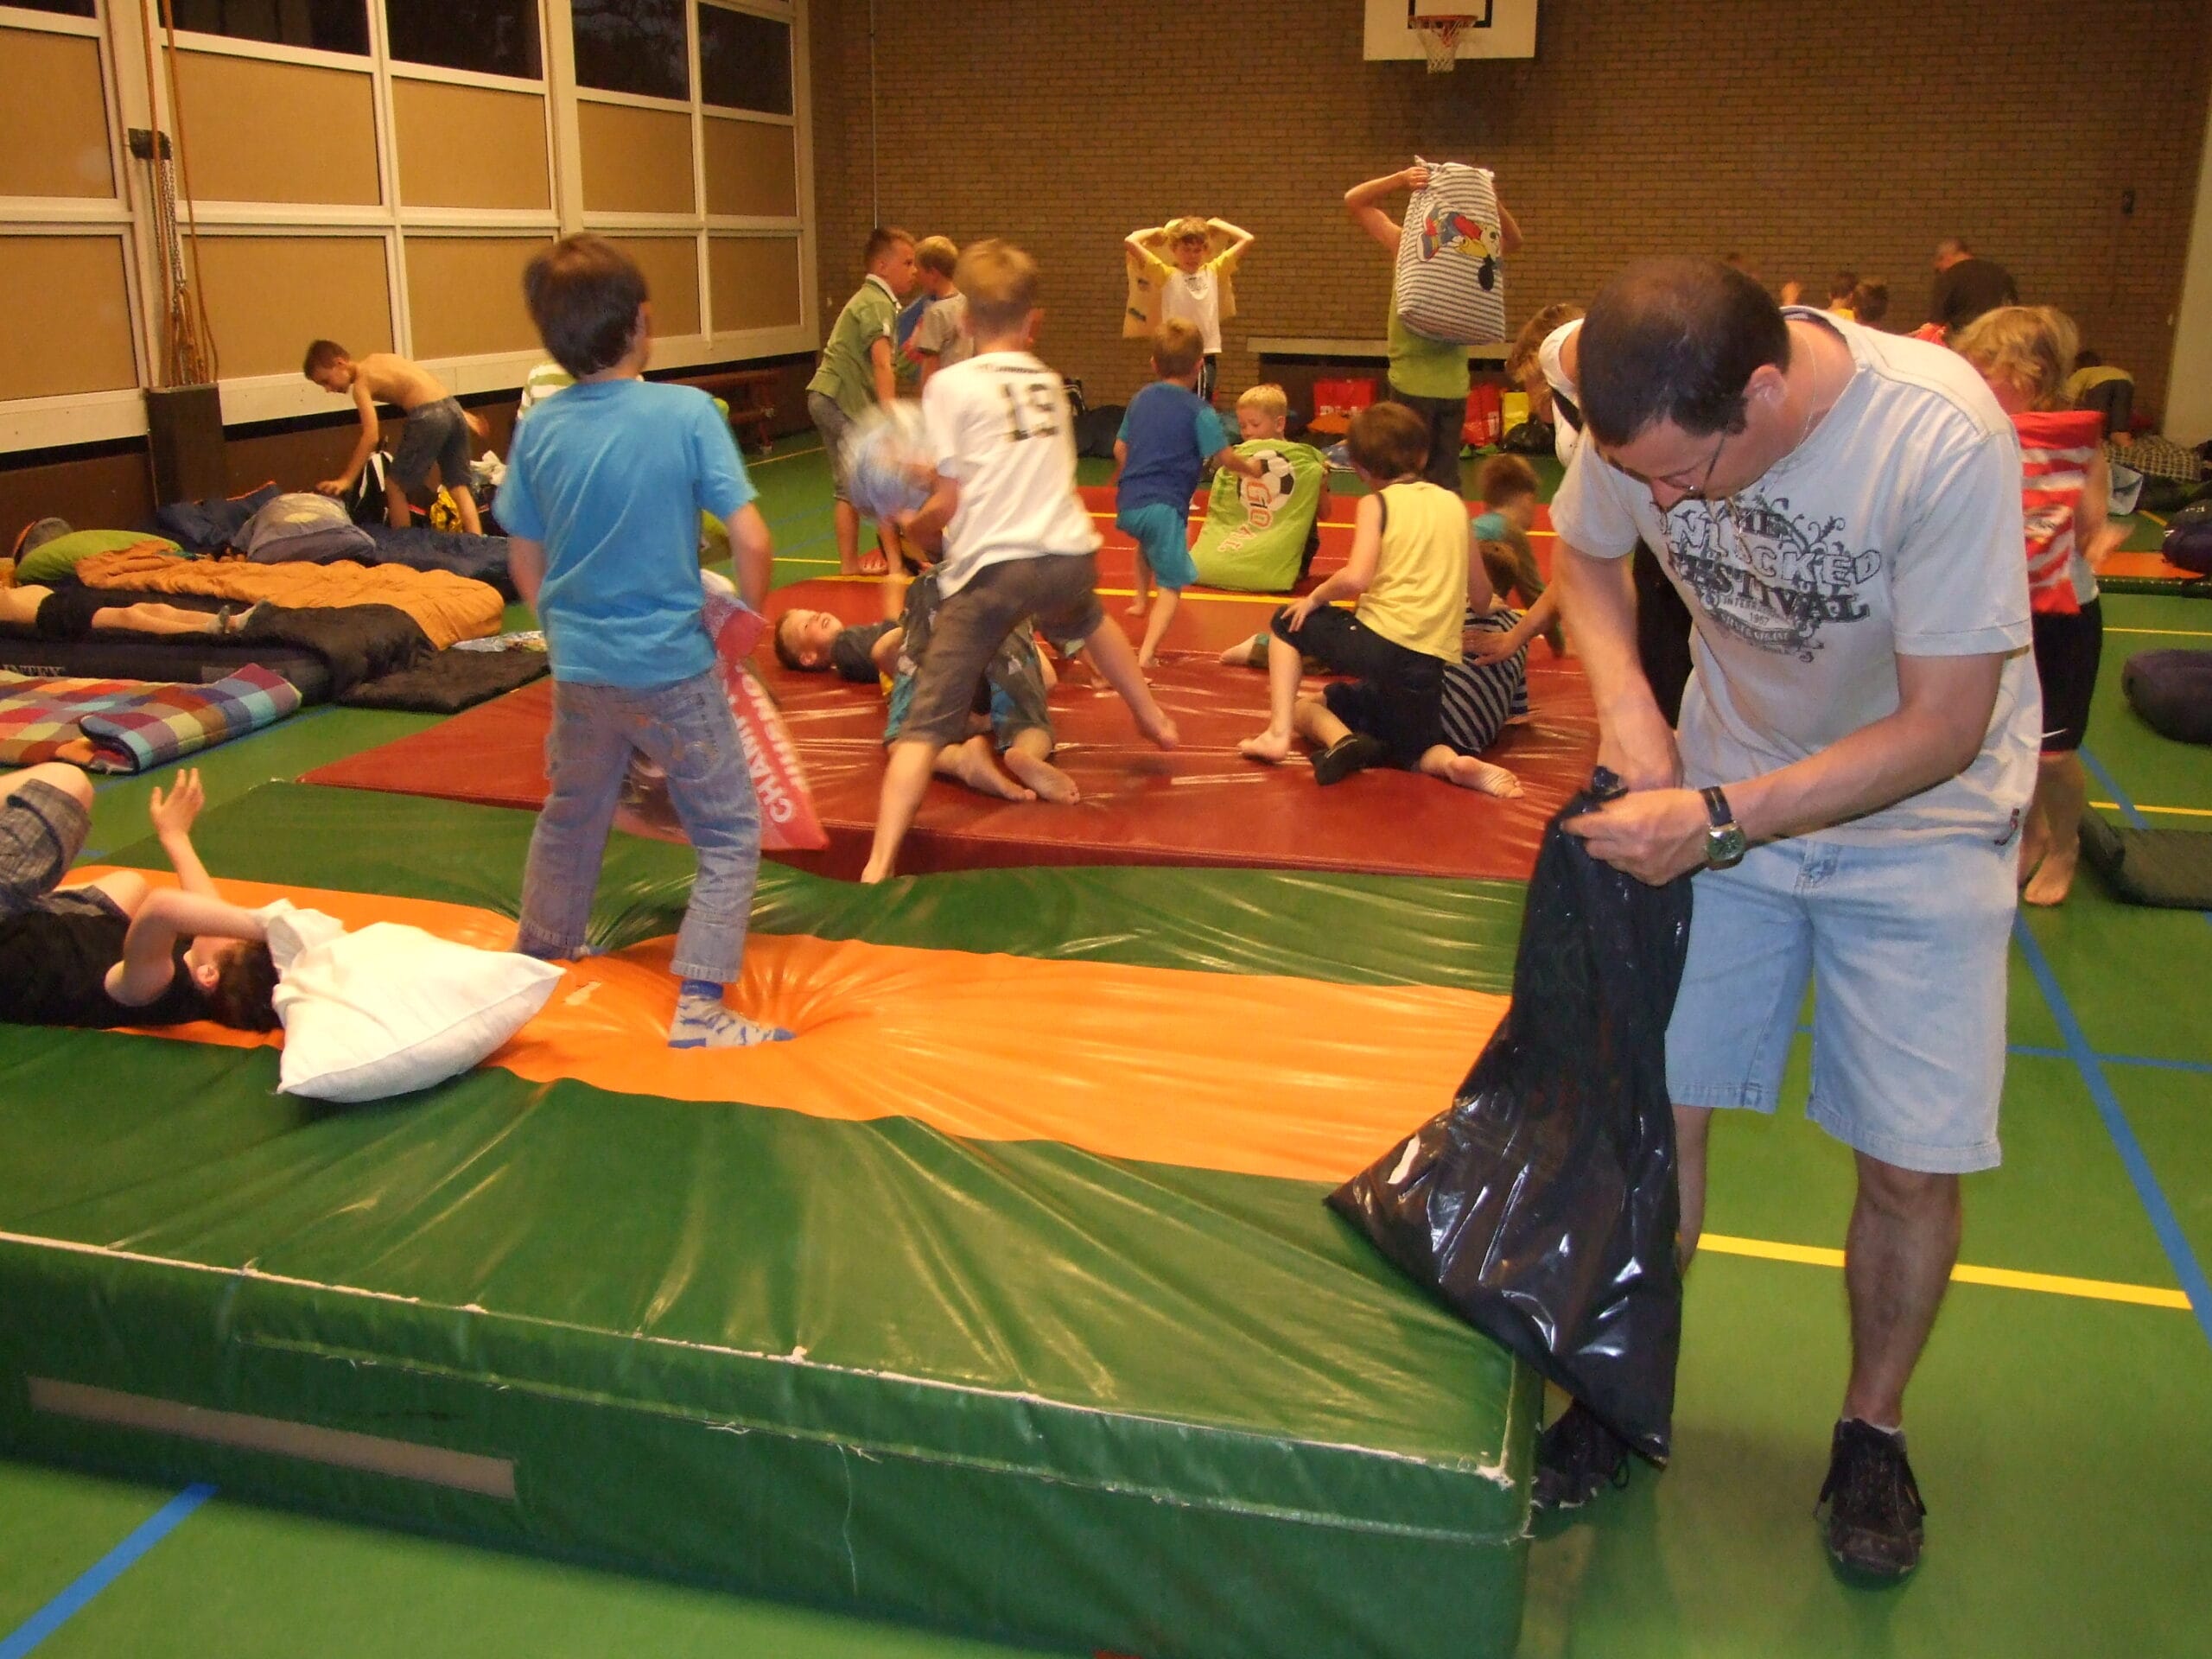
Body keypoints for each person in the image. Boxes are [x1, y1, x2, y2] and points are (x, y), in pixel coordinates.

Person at [1542, 256, 2037, 1582]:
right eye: (1638, 474)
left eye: (1682, 477)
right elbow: (1585, 553)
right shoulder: (1622, 384)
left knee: (1909, 1165)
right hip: (1728, 776)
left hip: (1923, 824)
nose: (1661, 502)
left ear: (1763, 393)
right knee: (1662, 1120)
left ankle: (1872, 1430)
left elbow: (1945, 725)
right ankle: (1619, 1389)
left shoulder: (1937, 439)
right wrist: (1629, 710)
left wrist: (1719, 818)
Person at [499, 234, 788, 1050]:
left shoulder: (541, 428)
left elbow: (524, 558)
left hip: (581, 673)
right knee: (728, 830)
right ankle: (699, 1006)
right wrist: (745, 624)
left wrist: (563, 629)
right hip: (671, 671)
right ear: (642, 323)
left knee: (573, 812)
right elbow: (752, 538)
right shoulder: (685, 414)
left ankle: (538, 956)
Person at [862, 239, 1178, 884]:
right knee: (1089, 620)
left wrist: (910, 523)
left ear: (964, 320)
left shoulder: (949, 385)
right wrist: (927, 472)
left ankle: (879, 860)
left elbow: (950, 501)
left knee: (922, 727)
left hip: (995, 574)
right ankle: (1149, 713)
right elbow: (1002, 459)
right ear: (1034, 320)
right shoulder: (1049, 383)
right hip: (1067, 557)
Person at [1237, 402, 1505, 793]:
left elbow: (1356, 577)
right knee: (1412, 750)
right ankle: (1451, 764)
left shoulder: (1376, 504)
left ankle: (1277, 734)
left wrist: (1314, 599)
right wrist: (1489, 604)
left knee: (1285, 623)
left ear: (1360, 469)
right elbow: (1480, 597)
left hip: (1379, 642)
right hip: (1427, 662)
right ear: (1423, 455)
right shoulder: (1453, 504)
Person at [1955, 305, 2123, 907]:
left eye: (1990, 370)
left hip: (2061, 613)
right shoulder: (1974, 432)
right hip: (1999, 609)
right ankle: (2030, 832)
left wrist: (2095, 535)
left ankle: (2065, 843)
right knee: (2007, 741)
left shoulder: (2075, 446)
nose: (1978, 380)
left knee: (2052, 754)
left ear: (2032, 378)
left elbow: (2090, 524)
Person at [0, 765, 277, 1031]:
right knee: (130, 887)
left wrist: (266, 924)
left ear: (208, 974)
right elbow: (207, 909)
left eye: (237, 936)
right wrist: (175, 836)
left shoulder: (154, 985)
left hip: (6, 931)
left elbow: (162, 909)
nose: (225, 920)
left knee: (69, 781)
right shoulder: (193, 970)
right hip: (34, 926)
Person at [1345, 163, 1523, 497]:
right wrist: (1490, 202)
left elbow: (1354, 201)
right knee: (1445, 479)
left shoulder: (1412, 243)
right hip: (1449, 385)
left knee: (1405, 473)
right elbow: (1514, 240)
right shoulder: (1464, 249)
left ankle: (1411, 524)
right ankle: (1445, 524)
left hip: (1417, 381)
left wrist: (1401, 180)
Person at [1115, 319, 1264, 664]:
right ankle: (1147, 653)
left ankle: (1140, 599)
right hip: (1166, 506)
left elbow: (1120, 449)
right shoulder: (1200, 411)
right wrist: (1252, 469)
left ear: (1154, 364)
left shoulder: (1140, 399)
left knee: (1146, 541)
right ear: (1200, 366)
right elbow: (1225, 458)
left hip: (1130, 502)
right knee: (1171, 585)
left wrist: (1135, 475)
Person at [808, 226, 920, 575]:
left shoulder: (878, 303)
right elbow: (881, 363)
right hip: (837, 398)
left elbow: (895, 363)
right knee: (867, 477)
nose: (914, 271)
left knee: (853, 483)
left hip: (832, 397)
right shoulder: (875, 302)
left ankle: (854, 564)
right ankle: (878, 564)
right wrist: (890, 422)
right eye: (907, 263)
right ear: (883, 266)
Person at [304, 342, 487, 535]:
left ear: (340, 363)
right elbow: (425, 380)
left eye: (326, 381)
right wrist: (462, 414)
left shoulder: (361, 385)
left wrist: (346, 480)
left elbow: (371, 436)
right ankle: (477, 540)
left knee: (394, 487)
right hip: (451, 407)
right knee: (458, 486)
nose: (328, 389)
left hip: (428, 416)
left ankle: (402, 543)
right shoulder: (378, 358)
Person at [1191, 383, 1333, 592]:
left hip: (1289, 542)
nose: (1248, 432)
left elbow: (1326, 514)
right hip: (1251, 531)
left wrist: (1319, 484)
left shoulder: (1303, 462)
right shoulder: (1241, 456)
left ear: (1279, 424)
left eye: (1255, 425)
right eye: (1242, 426)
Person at [1122, 215, 1255, 404]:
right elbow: (1130, 241)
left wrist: (1218, 225)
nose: (1192, 256)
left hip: (1202, 354)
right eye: (1186, 250)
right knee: (1174, 404)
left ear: (1205, 250)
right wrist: (1158, 232)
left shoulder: (1214, 271)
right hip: (1174, 354)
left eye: (1197, 250)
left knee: (1199, 404)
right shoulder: (1166, 275)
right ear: (1174, 249)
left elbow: (1247, 239)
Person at [1468, 453, 1563, 655]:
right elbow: (1534, 595)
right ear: (1527, 500)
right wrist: (1559, 646)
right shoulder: (1509, 531)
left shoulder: (1479, 525)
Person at [0, 582, 259, 641]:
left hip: (66, 601)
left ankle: (233, 621)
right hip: (55, 615)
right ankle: (202, 629)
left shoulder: (13, 588)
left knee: (153, 607)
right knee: (131, 617)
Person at [906, 236, 973, 388]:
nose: (916, 275)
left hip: (944, 389)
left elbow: (930, 363)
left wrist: (926, 397)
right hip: (966, 385)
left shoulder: (935, 312)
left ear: (933, 274)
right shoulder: (966, 303)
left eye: (919, 270)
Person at [1929, 237, 2018, 334]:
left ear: (1946, 257)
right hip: (2000, 336)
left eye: (1938, 269)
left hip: (1967, 338)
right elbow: (2013, 309)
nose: (1940, 272)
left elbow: (1936, 323)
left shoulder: (1949, 277)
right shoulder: (1999, 272)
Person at [2064, 348, 2134, 442]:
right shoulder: (2109, 369)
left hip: (2100, 385)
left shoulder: (2082, 372)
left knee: (2096, 426)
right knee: (2119, 427)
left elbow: (2068, 398)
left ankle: (2096, 442)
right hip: (2126, 381)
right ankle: (2123, 442)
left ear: (2077, 366)